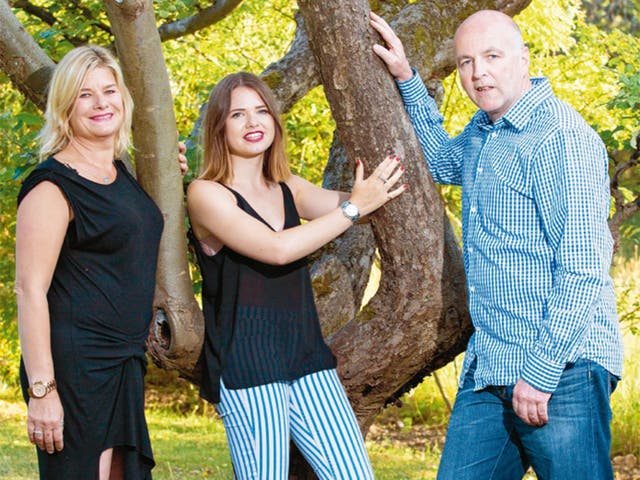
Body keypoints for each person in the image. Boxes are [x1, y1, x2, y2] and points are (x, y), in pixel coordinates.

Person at [370, 9, 623, 480]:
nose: (477, 72)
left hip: (561, 369)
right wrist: (406, 77)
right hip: (492, 366)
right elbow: (444, 162)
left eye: (491, 56)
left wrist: (542, 372)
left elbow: (585, 265)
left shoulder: (559, 138)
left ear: (523, 59)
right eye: (466, 62)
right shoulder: (486, 131)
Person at [186, 71, 407, 479]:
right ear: (219, 127)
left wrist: (373, 190)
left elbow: (354, 203)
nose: (253, 123)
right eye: (238, 115)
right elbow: (278, 248)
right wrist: (354, 208)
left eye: (261, 111)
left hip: (309, 362)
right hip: (248, 371)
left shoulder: (287, 185)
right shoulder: (206, 193)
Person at [14, 45, 186, 479]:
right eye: (85, 95)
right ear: (65, 107)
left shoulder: (119, 174)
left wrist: (169, 174)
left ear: (123, 99)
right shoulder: (52, 187)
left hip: (124, 363)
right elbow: (29, 290)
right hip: (74, 368)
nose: (100, 103)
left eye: (108, 90)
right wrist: (42, 391)